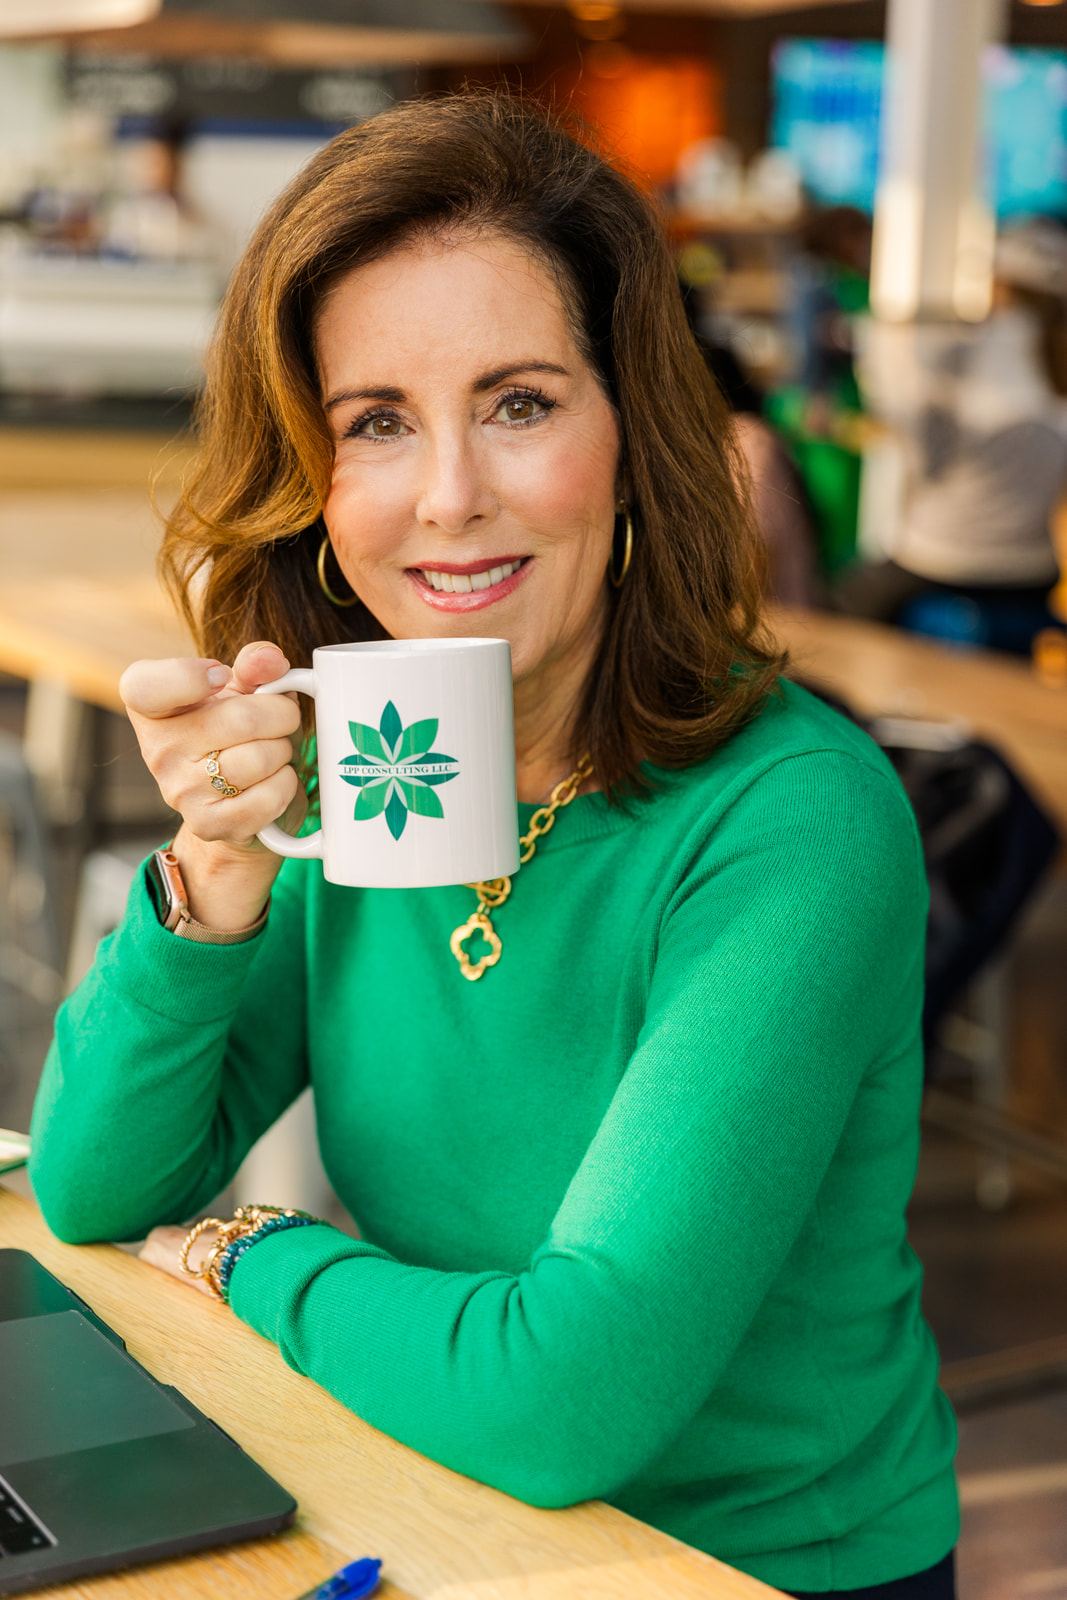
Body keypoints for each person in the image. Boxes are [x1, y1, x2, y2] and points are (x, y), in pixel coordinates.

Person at [29, 94, 958, 1598]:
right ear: (320, 497)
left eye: (519, 403)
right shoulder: (364, 770)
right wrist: (214, 871)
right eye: (375, 422)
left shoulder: (793, 821)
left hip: (749, 1568)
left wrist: (245, 1252)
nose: (448, 496)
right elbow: (90, 1184)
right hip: (436, 1503)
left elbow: (564, 1397)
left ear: (629, 442)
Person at [837, 219, 1067, 653]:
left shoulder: (967, 348)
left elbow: (926, 460)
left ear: (1000, 281)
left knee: (838, 615)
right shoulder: (1053, 360)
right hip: (1032, 573)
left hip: (943, 559)